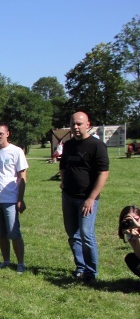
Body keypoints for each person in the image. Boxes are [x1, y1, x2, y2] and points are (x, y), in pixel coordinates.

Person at [60, 111, 109, 284]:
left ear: (88, 124)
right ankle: (80, 268)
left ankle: (91, 271)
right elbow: (63, 165)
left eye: (79, 123)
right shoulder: (69, 145)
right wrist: (63, 181)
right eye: (73, 123)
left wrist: (91, 198)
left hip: (87, 199)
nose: (76, 127)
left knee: (86, 234)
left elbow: (103, 173)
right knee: (72, 234)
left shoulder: (97, 146)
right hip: (68, 197)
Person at [0, 121, 28, 274]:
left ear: (7, 134)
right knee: (1, 234)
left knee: (14, 233)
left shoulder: (16, 151)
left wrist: (20, 198)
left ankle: (21, 263)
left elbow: (22, 176)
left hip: (10, 199)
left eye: (1, 133)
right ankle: (6, 260)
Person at [118, 205, 140, 278]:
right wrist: (137, 237)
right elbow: (139, 255)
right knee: (131, 258)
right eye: (128, 219)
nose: (132, 222)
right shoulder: (130, 232)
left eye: (136, 219)